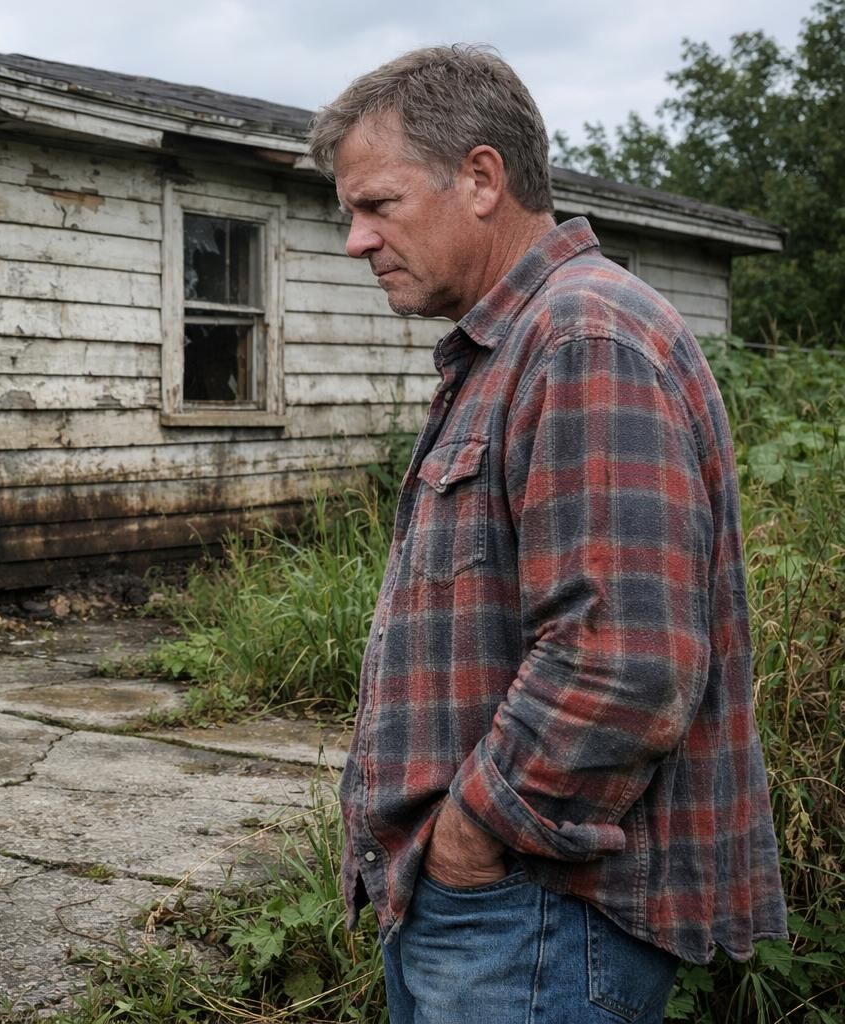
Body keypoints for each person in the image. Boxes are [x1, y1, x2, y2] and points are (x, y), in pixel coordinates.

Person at [306, 46, 786, 1023]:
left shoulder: (581, 335)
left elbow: (622, 661)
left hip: (534, 917)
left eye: (378, 205)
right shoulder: (509, 344)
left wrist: (471, 839)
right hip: (492, 915)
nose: (356, 240)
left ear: (480, 179)